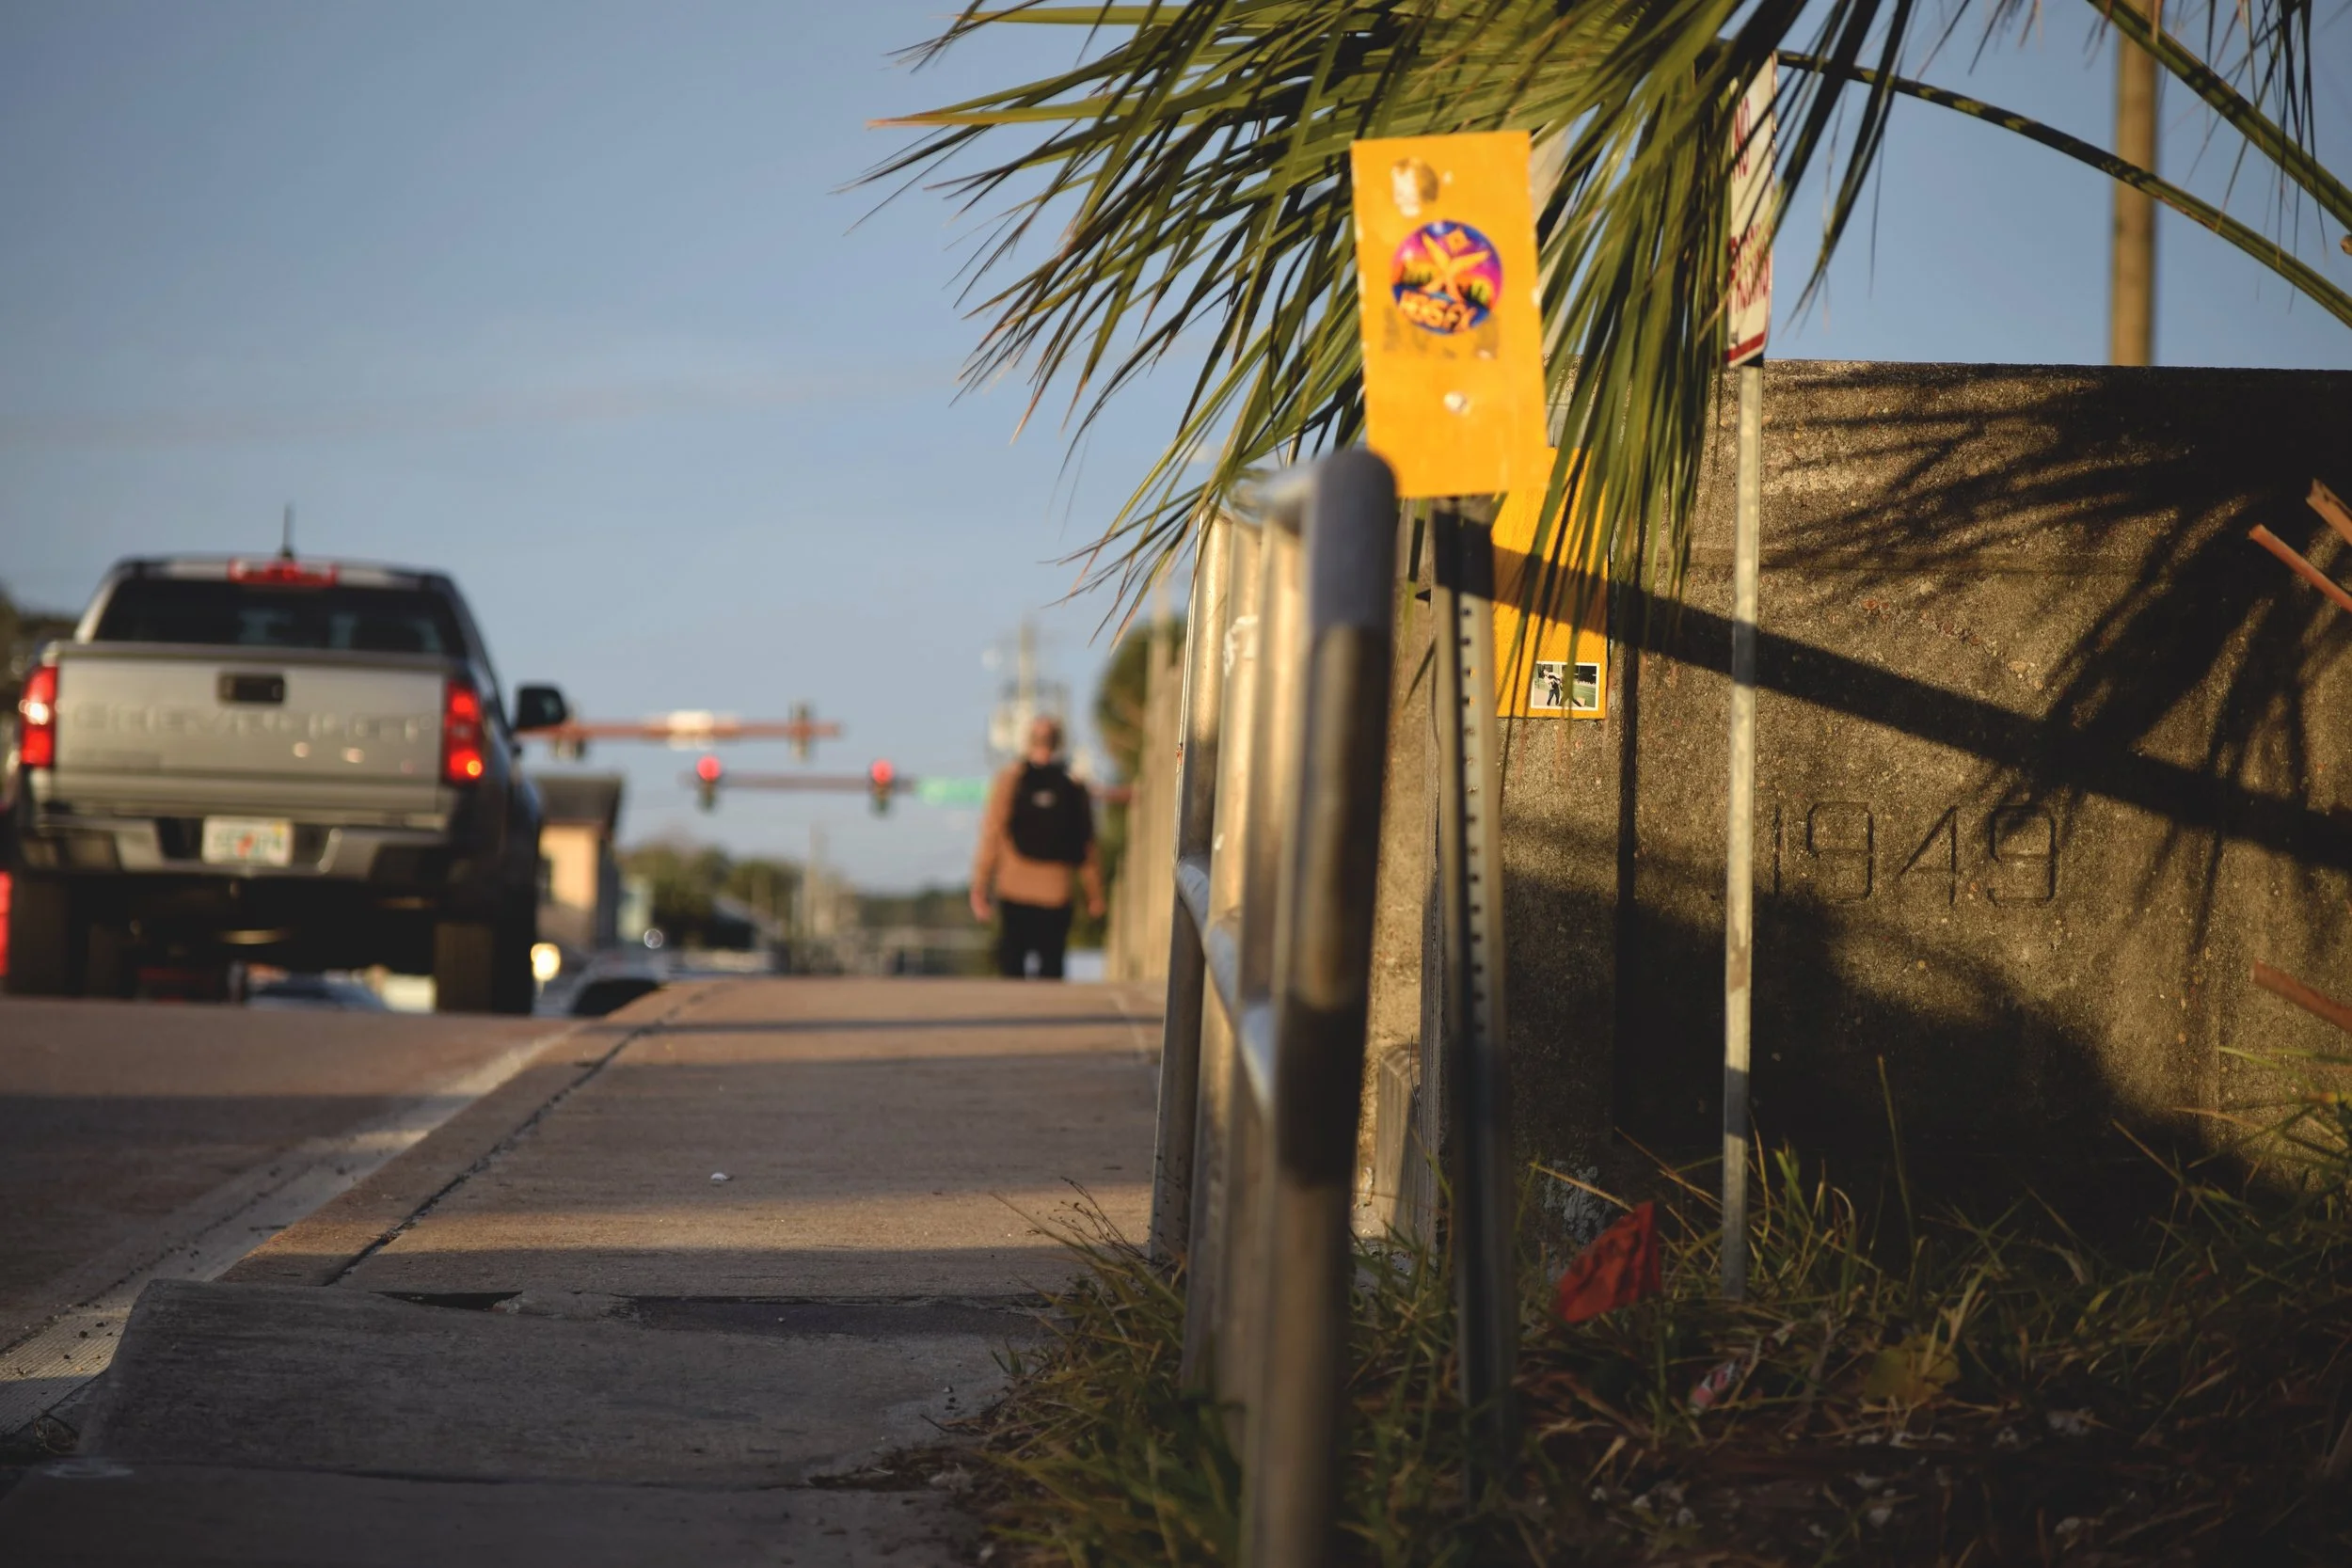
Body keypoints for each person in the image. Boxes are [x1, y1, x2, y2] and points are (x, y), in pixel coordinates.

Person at [970, 715, 1105, 978]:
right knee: (1051, 966)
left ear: (1028, 742)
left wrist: (980, 885)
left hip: (1013, 888)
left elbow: (992, 835)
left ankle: (1016, 1017)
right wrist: (1095, 893)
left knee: (1012, 966)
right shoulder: (1074, 785)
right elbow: (1087, 845)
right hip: (1057, 891)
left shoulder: (1010, 781)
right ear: (1059, 743)